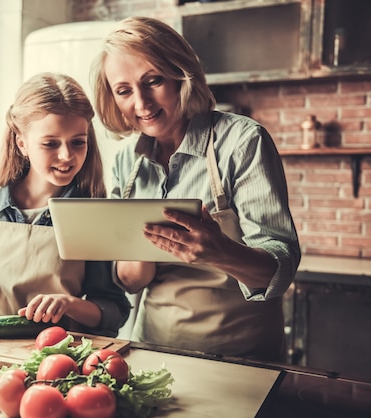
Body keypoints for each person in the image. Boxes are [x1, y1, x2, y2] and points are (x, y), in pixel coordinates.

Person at [90, 16, 301, 360]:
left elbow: (281, 268)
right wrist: (138, 256)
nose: (141, 103)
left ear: (181, 75)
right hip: (154, 350)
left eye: (153, 81)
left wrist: (219, 251)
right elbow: (128, 281)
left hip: (243, 359)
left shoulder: (242, 141)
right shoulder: (126, 163)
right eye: (124, 90)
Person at [0, 72, 130, 337]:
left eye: (78, 142)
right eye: (50, 143)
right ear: (22, 143)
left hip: (63, 359)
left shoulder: (93, 215)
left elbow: (114, 310)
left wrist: (68, 304)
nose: (67, 155)